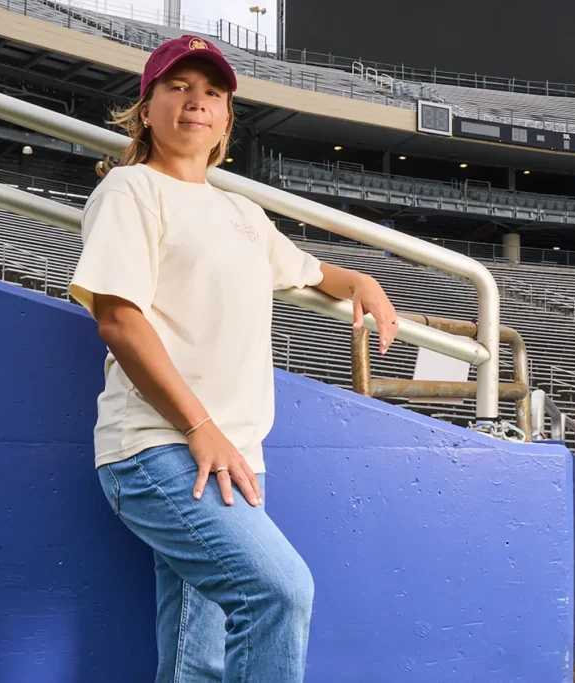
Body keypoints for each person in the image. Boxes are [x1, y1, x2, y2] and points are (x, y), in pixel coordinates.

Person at [69, 34, 399, 683]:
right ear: (147, 107)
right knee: (281, 591)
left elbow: (309, 270)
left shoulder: (240, 212)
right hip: (160, 447)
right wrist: (200, 428)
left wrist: (360, 280)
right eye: (179, 87)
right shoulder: (132, 191)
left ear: (226, 120)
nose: (197, 101)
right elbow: (118, 318)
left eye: (212, 92)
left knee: (198, 654)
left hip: (232, 458)